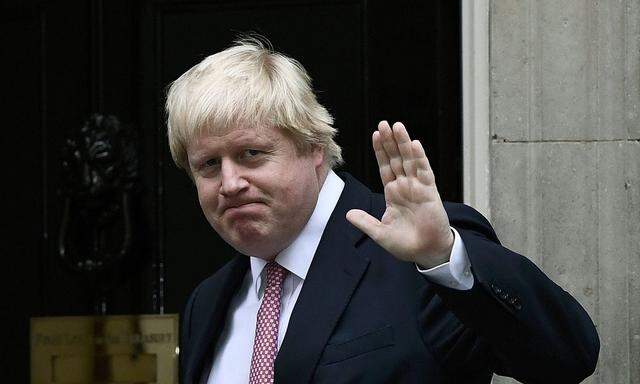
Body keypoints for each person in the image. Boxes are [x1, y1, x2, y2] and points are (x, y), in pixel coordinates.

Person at [165, 38, 599, 384]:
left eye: (251, 153)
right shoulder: (209, 301)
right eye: (208, 165)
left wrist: (444, 257)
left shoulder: (421, 257)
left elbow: (566, 360)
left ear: (313, 147)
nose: (230, 183)